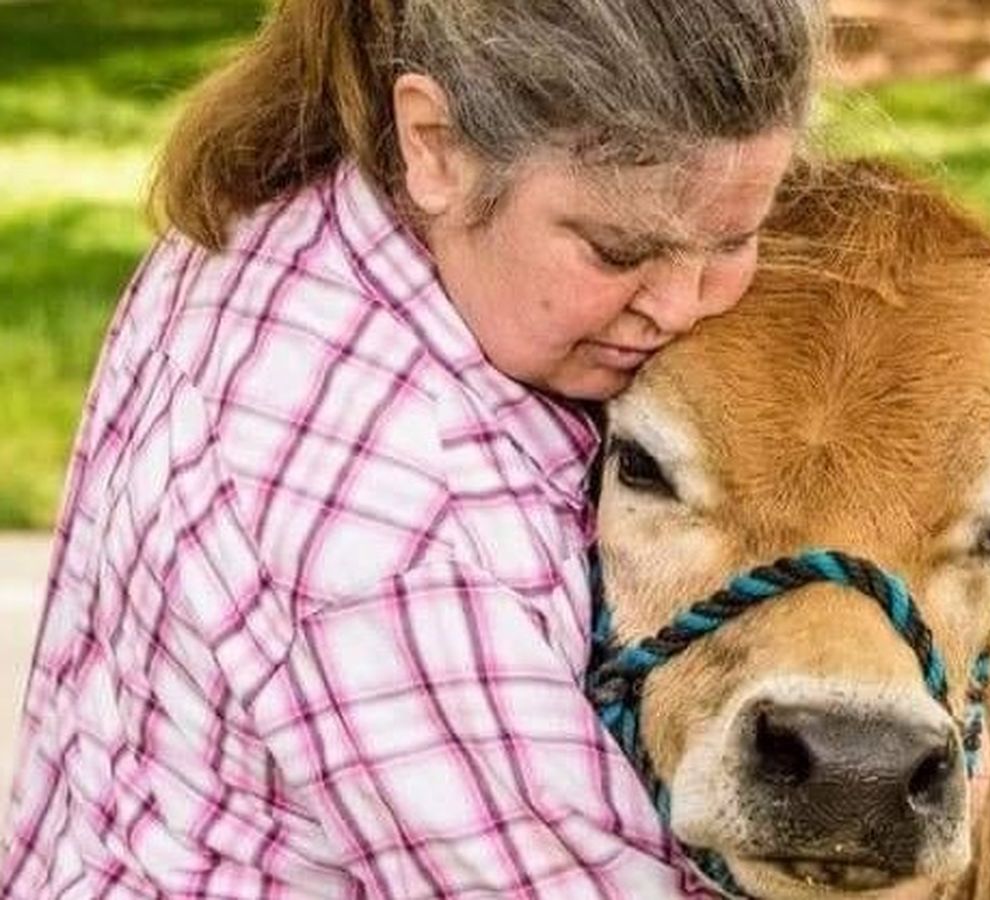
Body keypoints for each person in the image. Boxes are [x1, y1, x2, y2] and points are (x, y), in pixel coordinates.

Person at [0, 0, 821, 896]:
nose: (679, 303)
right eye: (617, 250)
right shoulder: (397, 522)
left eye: (734, 238)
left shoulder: (300, 205)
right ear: (435, 145)